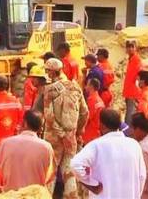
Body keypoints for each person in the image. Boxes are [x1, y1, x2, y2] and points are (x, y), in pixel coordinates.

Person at [71, 109, 146, 199]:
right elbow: (142, 176)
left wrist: (92, 184)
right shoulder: (134, 145)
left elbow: (75, 165)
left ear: (102, 125)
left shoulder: (96, 145)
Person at [43, 58, 88, 199]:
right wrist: (77, 131)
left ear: (52, 72)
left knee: (50, 171)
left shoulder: (49, 89)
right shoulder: (75, 87)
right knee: (69, 171)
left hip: (54, 138)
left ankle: (46, 196)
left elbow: (49, 116)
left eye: (47, 70)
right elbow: (85, 112)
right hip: (71, 136)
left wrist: (61, 134)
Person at [0, 110, 55, 193]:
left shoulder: (5, 144)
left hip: (10, 195)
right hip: (35, 196)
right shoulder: (46, 148)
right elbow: (50, 177)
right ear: (41, 129)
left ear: (24, 123)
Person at [123, 40, 143, 125]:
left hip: (133, 92)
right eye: (128, 47)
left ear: (135, 48)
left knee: (130, 115)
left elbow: (139, 75)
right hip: (129, 91)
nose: (130, 49)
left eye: (132, 47)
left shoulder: (136, 60)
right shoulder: (131, 59)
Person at [82, 78, 105, 144]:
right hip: (97, 133)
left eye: (87, 84)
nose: (85, 86)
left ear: (91, 86)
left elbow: (87, 117)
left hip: (89, 134)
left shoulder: (92, 100)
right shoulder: (100, 100)